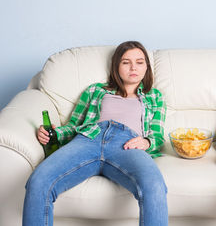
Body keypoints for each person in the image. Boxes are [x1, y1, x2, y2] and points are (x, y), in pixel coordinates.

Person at [23, 41, 168, 226]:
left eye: (140, 62)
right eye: (126, 62)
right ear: (116, 66)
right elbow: (73, 125)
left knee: (154, 185)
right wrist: (53, 133)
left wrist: (147, 142)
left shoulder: (155, 97)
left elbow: (157, 135)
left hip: (127, 143)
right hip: (88, 139)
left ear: (147, 67)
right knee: (38, 181)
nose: (133, 67)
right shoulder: (95, 90)